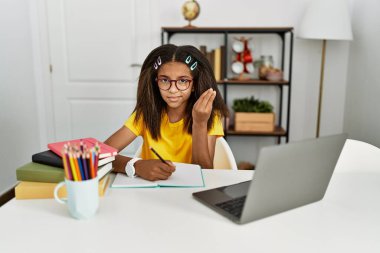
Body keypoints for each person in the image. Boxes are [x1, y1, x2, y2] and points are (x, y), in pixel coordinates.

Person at [105, 44, 229, 181]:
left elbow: (204, 171)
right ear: (155, 81)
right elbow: (99, 156)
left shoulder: (209, 114)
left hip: (189, 193)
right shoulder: (146, 114)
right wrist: (136, 165)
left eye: (183, 81)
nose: (173, 90)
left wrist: (199, 123)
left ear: (194, 84)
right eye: (165, 80)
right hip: (150, 194)